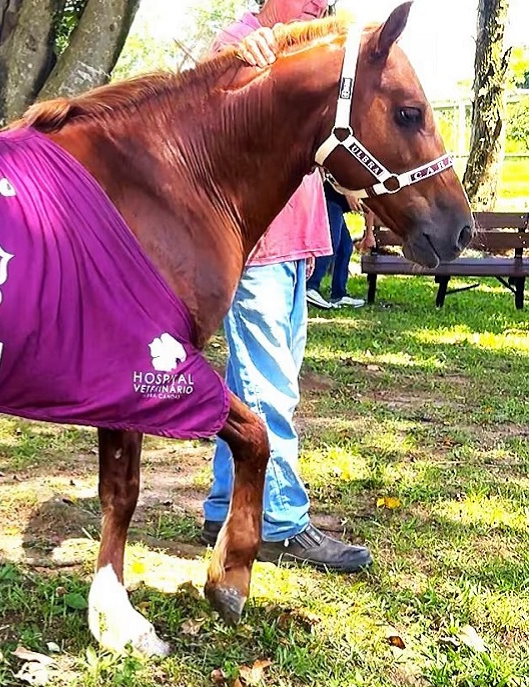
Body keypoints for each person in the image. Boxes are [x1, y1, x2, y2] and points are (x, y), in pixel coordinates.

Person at [200, 0, 373, 573]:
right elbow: (197, 108)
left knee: (254, 383)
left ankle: (226, 505)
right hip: (255, 249)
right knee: (269, 390)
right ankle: (277, 523)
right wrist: (233, 65)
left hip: (297, 244)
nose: (320, 4)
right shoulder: (241, 41)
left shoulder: (313, 51)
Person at [305, 179, 374, 309]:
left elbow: (370, 210)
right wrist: (348, 193)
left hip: (337, 205)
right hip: (328, 198)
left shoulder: (376, 189)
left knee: (345, 248)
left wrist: (369, 234)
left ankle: (339, 294)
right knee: (331, 243)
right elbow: (334, 170)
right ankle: (310, 286)